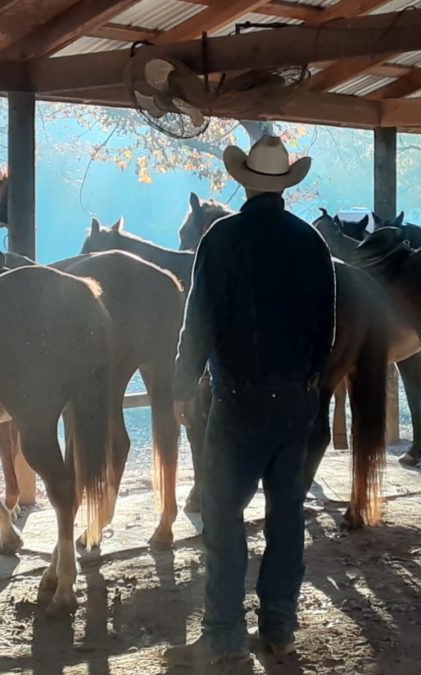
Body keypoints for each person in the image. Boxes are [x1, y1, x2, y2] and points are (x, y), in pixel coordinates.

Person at [163, 136, 335, 666]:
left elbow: (201, 322)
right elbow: (326, 329)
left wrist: (182, 384)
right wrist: (309, 380)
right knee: (287, 514)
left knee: (222, 515)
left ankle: (224, 634)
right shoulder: (312, 243)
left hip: (238, 402)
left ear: (244, 181)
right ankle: (280, 626)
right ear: (285, 185)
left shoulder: (221, 238)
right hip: (296, 403)